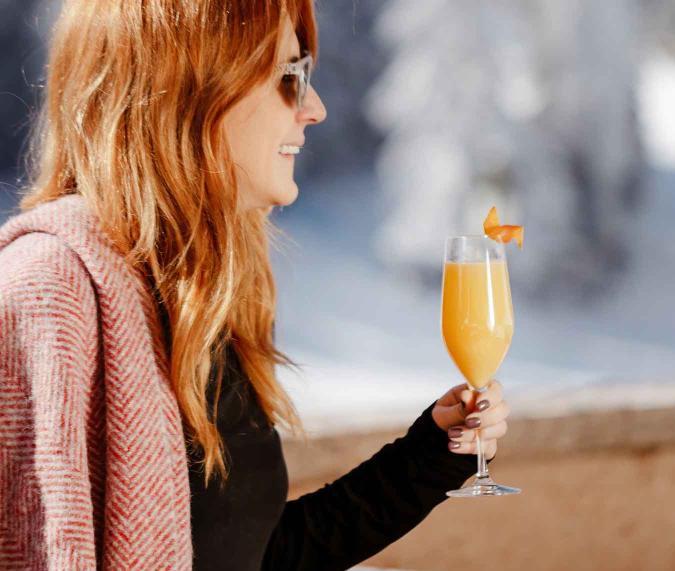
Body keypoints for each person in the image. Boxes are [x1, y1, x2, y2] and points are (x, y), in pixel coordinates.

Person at [0, 1, 511, 569]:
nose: (314, 108)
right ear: (187, 88)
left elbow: (251, 553)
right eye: (288, 77)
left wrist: (431, 455)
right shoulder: (49, 295)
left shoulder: (193, 298)